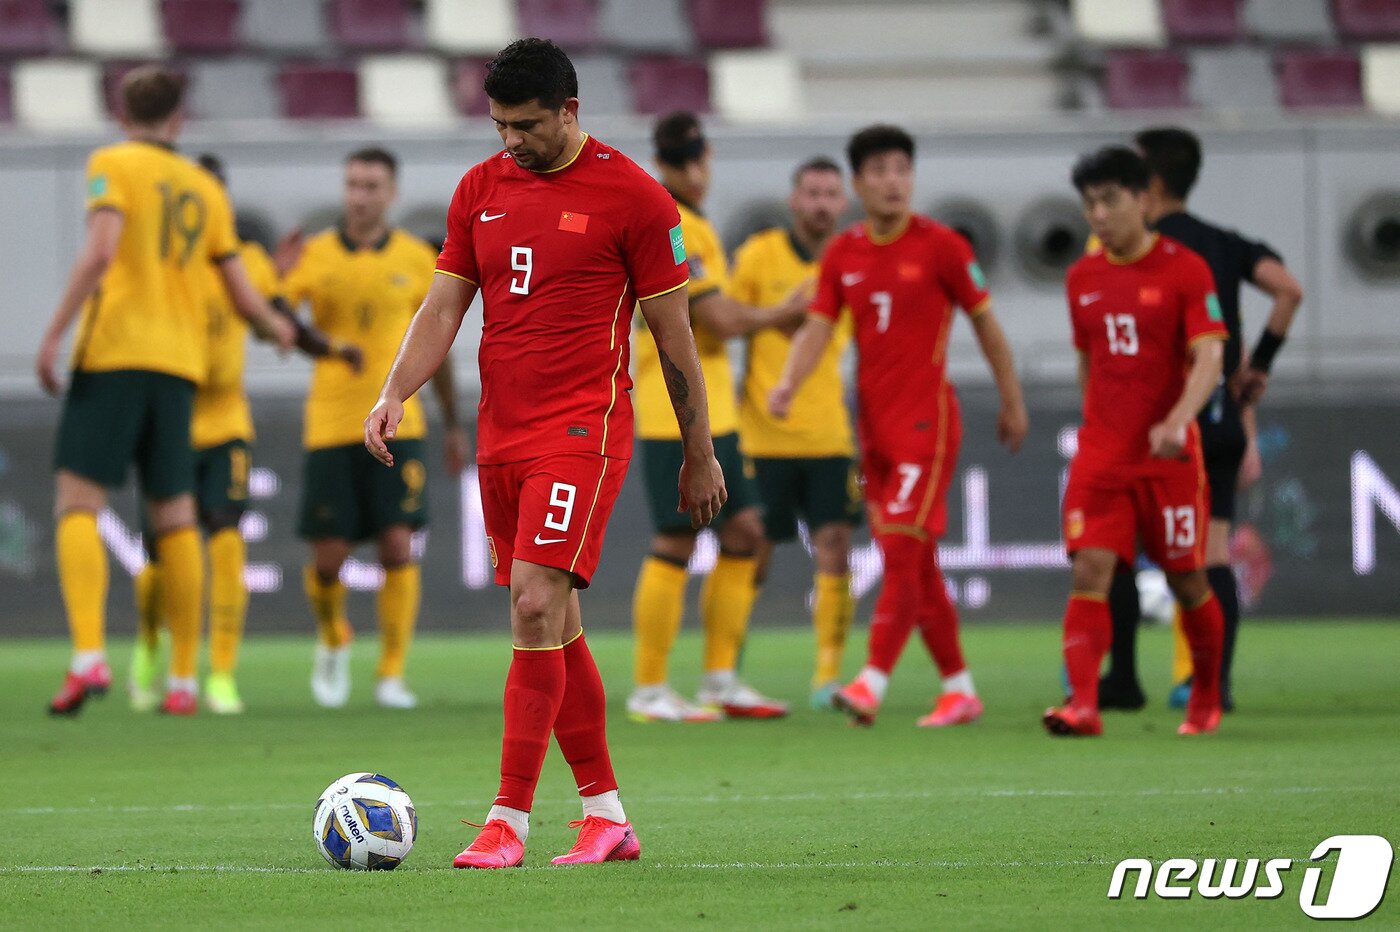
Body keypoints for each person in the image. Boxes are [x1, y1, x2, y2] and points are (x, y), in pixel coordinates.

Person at [365, 38, 725, 868]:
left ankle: (508, 820)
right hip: (502, 434)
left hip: (583, 429)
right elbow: (442, 309)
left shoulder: (636, 198)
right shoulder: (479, 191)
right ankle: (607, 817)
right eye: (498, 125)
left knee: (531, 603)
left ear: (569, 111)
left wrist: (698, 449)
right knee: (553, 621)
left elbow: (676, 338)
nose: (511, 142)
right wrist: (394, 393)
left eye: (526, 125)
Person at [37, 66, 294, 716]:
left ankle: (89, 657)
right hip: (180, 370)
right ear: (179, 118)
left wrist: (53, 335)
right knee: (176, 517)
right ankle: (183, 679)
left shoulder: (113, 162)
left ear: (122, 113)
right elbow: (242, 291)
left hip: (117, 351)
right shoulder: (205, 188)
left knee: (78, 500)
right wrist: (276, 328)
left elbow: (100, 252)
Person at [771, 125, 1028, 728]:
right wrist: (787, 382)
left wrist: (1011, 400)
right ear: (859, 183)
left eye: (901, 170)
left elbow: (987, 327)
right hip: (875, 431)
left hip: (927, 422)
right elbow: (817, 328)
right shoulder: (844, 253)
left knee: (906, 548)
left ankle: (871, 680)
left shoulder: (943, 247)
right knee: (914, 560)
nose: (893, 181)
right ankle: (959, 688)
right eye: (879, 171)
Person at [129, 153, 363, 715]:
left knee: (226, 539)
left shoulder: (245, 262)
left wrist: (332, 349)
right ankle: (152, 642)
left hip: (226, 424)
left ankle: (217, 675)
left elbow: (283, 320)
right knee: (162, 561)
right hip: (167, 424)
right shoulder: (157, 262)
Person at [1097, 127, 1303, 713]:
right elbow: (1287, 291)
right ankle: (1209, 682)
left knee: (1116, 547)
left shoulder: (1145, 250)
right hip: (1218, 420)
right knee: (1209, 555)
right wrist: (1257, 372)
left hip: (1153, 423)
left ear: (1150, 184)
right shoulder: (1226, 244)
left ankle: (1124, 676)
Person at [628, 112, 807, 722]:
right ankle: (650, 688)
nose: (697, 173)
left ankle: (721, 679)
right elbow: (717, 320)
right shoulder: (674, 222)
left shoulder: (693, 223)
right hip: (667, 409)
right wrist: (780, 313)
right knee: (676, 539)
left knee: (745, 533)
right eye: (690, 162)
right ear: (690, 164)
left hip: (714, 412)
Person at [1045, 145, 1227, 738]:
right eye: (1089, 203)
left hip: (1168, 459)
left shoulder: (1185, 269)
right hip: (1103, 456)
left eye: (1110, 200)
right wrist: (1097, 423)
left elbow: (1210, 356)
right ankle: (1084, 706)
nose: (1098, 215)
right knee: (1090, 571)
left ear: (1143, 200)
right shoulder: (1082, 277)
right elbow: (1087, 361)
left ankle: (1204, 693)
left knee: (1186, 579)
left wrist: (1179, 419)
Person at [281, 147, 467, 711]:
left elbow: (438, 343)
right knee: (328, 560)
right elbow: (276, 319)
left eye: (370, 186)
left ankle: (390, 673)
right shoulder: (314, 255)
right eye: (352, 185)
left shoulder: (417, 258)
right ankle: (334, 635)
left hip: (399, 423)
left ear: (391, 194)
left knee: (396, 545)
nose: (359, 197)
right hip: (332, 423)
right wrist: (275, 282)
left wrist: (454, 423)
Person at [732, 157, 860, 709]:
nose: (821, 204)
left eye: (831, 194)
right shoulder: (761, 253)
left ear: (844, 202)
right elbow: (727, 317)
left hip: (829, 431)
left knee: (835, 547)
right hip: (763, 431)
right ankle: (725, 669)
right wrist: (774, 312)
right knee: (751, 551)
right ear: (794, 200)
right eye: (812, 193)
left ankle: (827, 676)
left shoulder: (855, 258)